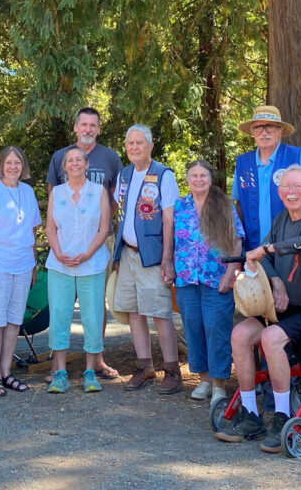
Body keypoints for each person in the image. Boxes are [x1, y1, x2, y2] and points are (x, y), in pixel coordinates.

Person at [215, 165, 301, 454]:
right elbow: (265, 256)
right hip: (279, 306)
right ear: (280, 194)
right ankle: (250, 416)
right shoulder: (282, 219)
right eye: (285, 188)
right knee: (240, 335)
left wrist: (269, 250)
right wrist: (276, 282)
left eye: (297, 187)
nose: (291, 192)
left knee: (271, 339)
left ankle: (282, 416)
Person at [46, 107, 123, 380]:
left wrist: (97, 237)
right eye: (84, 124)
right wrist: (60, 248)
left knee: (94, 304)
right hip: (64, 246)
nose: (88, 129)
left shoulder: (110, 157)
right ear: (76, 127)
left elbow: (116, 198)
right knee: (62, 306)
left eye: (93, 125)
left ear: (98, 129)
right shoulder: (59, 157)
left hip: (100, 240)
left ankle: (97, 361)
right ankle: (58, 367)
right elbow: (54, 206)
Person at [112, 124, 182, 394]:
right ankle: (145, 367)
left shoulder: (163, 175)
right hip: (128, 253)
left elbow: (168, 220)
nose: (134, 147)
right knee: (133, 310)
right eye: (130, 143)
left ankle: (172, 370)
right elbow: (121, 216)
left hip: (152, 256)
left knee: (160, 312)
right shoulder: (125, 174)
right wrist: (118, 253)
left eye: (140, 142)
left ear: (151, 146)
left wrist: (167, 259)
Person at [172, 160, 244, 406]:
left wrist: (231, 272)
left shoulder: (223, 205)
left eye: (203, 175)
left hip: (217, 279)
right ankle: (203, 380)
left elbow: (237, 240)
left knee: (217, 329)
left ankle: (219, 383)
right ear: (188, 179)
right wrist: (168, 265)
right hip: (186, 279)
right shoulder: (179, 207)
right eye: (194, 175)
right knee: (193, 328)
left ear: (210, 179)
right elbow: (170, 241)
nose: (199, 179)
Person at [43, 146, 112, 393]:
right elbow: (50, 228)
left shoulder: (98, 191)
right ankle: (60, 371)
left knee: (92, 316)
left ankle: (90, 371)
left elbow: (104, 228)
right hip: (59, 264)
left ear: (86, 165)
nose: (73, 163)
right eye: (69, 160)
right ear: (64, 167)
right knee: (59, 315)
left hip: (91, 263)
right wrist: (59, 253)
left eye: (78, 160)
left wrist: (88, 253)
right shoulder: (57, 192)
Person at [0, 146, 41, 397]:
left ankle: (6, 371)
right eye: (9, 162)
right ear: (1, 165)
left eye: (18, 163)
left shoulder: (28, 191)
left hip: (23, 264)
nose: (13, 167)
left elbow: (33, 231)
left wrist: (33, 263)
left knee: (14, 321)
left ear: (23, 166)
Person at [232, 105, 301, 253]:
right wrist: (238, 243)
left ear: (280, 131)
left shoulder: (296, 156)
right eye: (258, 128)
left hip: (290, 247)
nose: (264, 132)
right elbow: (239, 204)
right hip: (253, 248)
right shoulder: (242, 163)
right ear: (252, 133)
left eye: (270, 127)